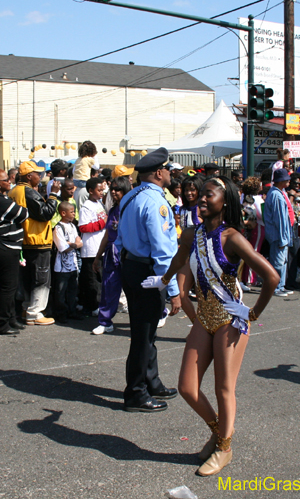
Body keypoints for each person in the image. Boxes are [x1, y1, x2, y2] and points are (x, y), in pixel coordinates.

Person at [143, 175, 279, 476]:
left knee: (223, 389)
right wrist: (163, 281)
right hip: (204, 317)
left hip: (231, 320)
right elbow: (180, 258)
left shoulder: (233, 238)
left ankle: (224, 448)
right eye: (199, 194)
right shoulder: (192, 234)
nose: (201, 198)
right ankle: (220, 434)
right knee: (187, 388)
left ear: (225, 201)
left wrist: (252, 313)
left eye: (209, 194)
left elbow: (272, 277)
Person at [114, 147, 181, 413]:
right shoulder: (156, 202)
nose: (170, 174)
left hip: (132, 267)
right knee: (143, 336)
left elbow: (118, 239)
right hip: (149, 273)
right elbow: (164, 253)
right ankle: (136, 394)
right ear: (158, 173)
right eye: (167, 170)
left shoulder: (131, 196)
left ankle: (151, 381)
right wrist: (174, 290)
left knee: (148, 331)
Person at [9, 161, 60, 326]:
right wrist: (53, 195)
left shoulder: (13, 191)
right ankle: (35, 312)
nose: (41, 177)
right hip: (37, 240)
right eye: (38, 174)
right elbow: (46, 213)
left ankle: (27, 308)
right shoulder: (29, 192)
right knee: (41, 278)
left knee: (28, 278)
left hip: (23, 239)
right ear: (29, 176)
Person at [0, 169, 28, 335]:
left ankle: (10, 319)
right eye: (6, 180)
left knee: (10, 286)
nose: (10, 182)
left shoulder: (0, 198)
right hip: (4, 248)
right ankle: (1, 325)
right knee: (7, 287)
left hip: (6, 247)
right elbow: (23, 213)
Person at [92, 175, 132, 335]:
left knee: (136, 290)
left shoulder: (132, 209)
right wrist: (98, 256)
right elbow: (108, 235)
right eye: (112, 189)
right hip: (111, 255)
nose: (114, 192)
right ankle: (105, 321)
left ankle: (156, 315)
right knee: (109, 288)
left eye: (118, 189)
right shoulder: (113, 210)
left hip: (130, 255)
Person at [77, 177, 107, 317]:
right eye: (99, 190)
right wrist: (102, 222)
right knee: (92, 281)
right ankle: (92, 305)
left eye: (102, 190)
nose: (102, 192)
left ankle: (98, 304)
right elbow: (83, 227)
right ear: (90, 191)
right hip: (91, 249)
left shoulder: (99, 203)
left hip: (100, 247)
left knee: (100, 279)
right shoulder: (86, 207)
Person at [264, 168, 294, 297]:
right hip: (278, 235)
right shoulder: (276, 195)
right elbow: (279, 219)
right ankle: (275, 287)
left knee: (282, 262)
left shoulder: (280, 192)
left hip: (282, 234)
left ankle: (280, 286)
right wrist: (283, 238)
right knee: (278, 262)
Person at [52, 201, 82, 325]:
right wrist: (73, 244)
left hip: (73, 264)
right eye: (72, 212)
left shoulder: (73, 226)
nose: (74, 214)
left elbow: (79, 242)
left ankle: (72, 311)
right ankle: (61, 313)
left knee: (72, 290)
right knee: (61, 291)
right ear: (63, 213)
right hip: (61, 267)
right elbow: (62, 247)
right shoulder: (58, 228)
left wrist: (72, 244)